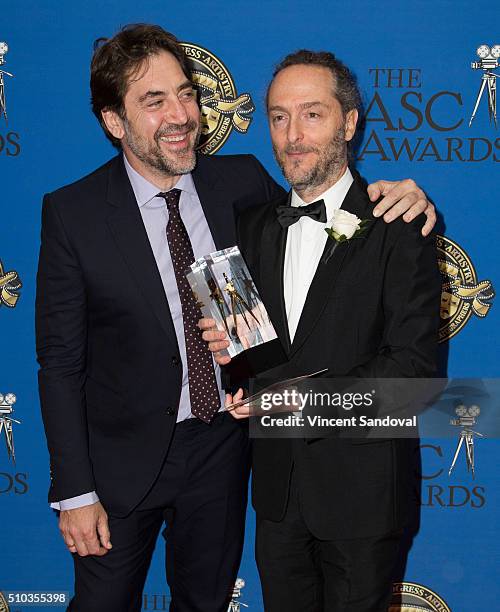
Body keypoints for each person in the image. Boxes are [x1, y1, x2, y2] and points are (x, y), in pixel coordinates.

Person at [35, 23, 436, 612]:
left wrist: (403, 195)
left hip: (224, 455)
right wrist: (74, 490)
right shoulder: (73, 213)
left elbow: (325, 201)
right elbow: (60, 363)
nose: (181, 115)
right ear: (114, 122)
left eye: (187, 94)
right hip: (120, 467)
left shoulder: (241, 183)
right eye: (155, 101)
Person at [201, 50, 441, 611]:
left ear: (349, 123)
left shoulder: (399, 226)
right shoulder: (249, 225)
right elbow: (253, 363)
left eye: (312, 114)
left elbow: (411, 373)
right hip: (277, 497)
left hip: (362, 497)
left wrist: (291, 399)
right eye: (279, 117)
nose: (292, 135)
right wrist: (230, 364)